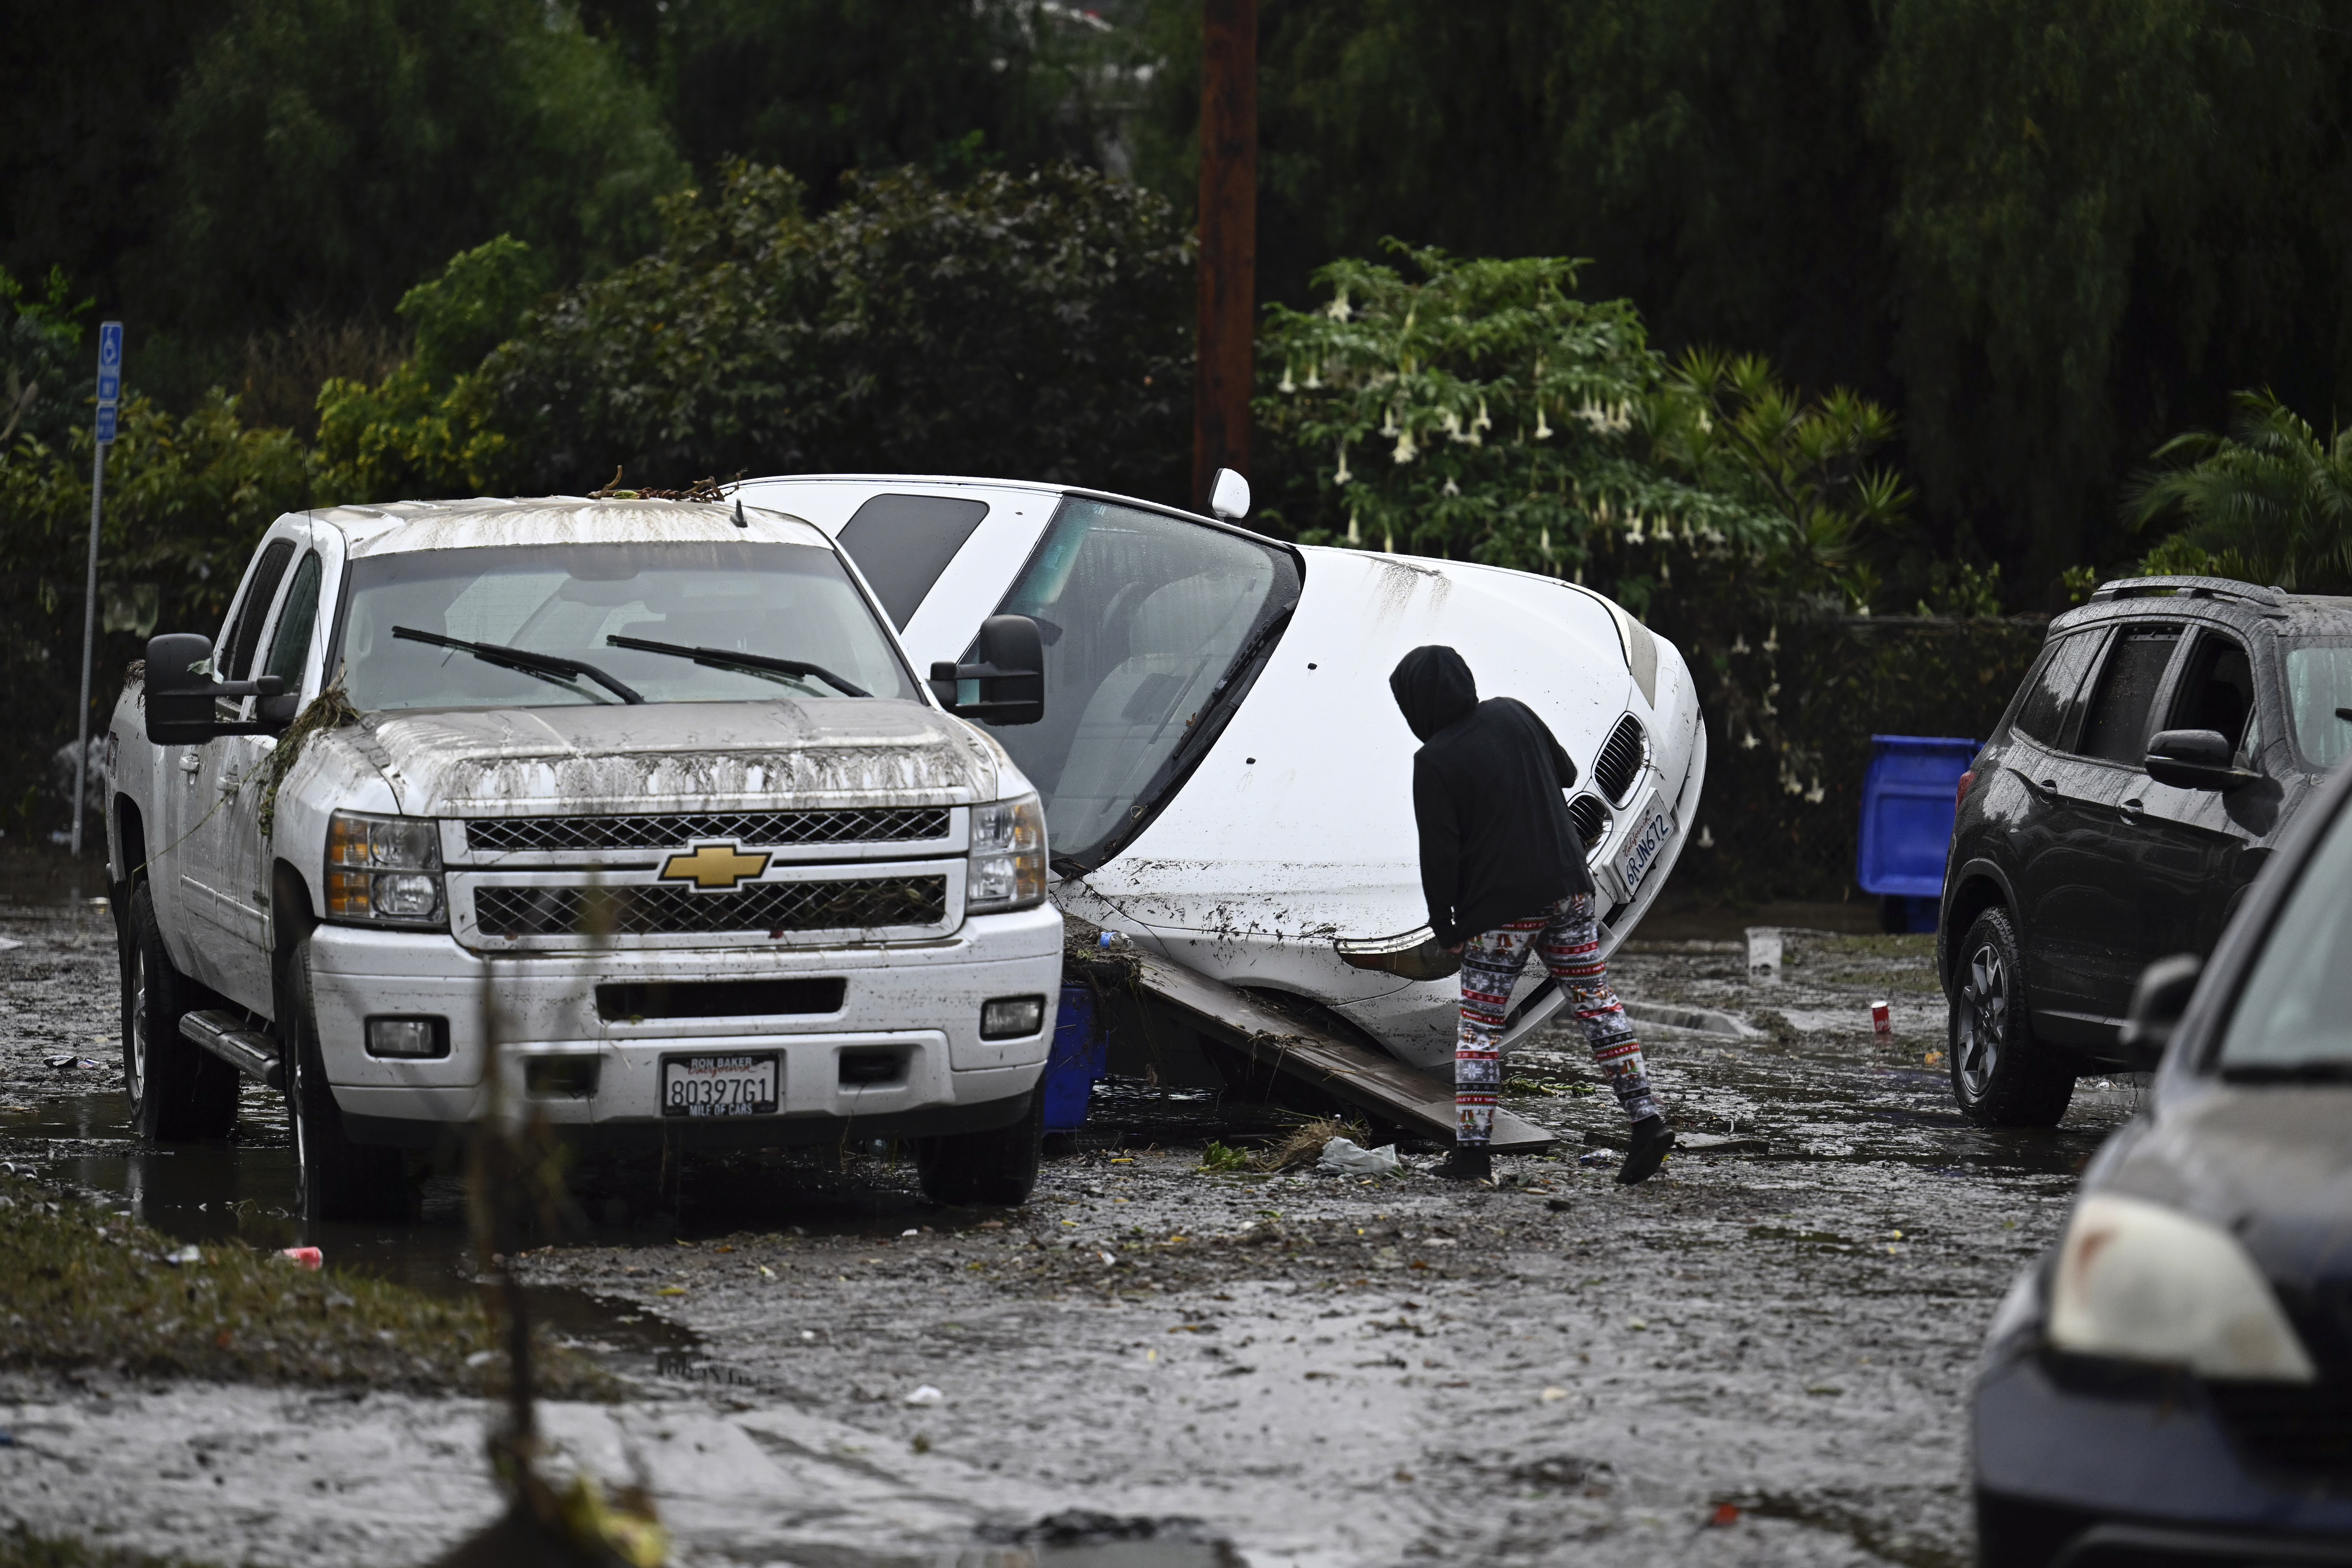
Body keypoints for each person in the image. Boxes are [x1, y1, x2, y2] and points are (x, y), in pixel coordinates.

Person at [1389, 644, 1675, 1186]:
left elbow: (1440, 850)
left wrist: (1444, 924)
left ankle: (1472, 1154)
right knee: (1596, 1006)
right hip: (1567, 887)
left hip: (1500, 910)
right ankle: (1647, 1123)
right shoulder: (1512, 712)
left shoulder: (1433, 761)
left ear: (1415, 705)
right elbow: (1566, 772)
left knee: (1478, 1028)